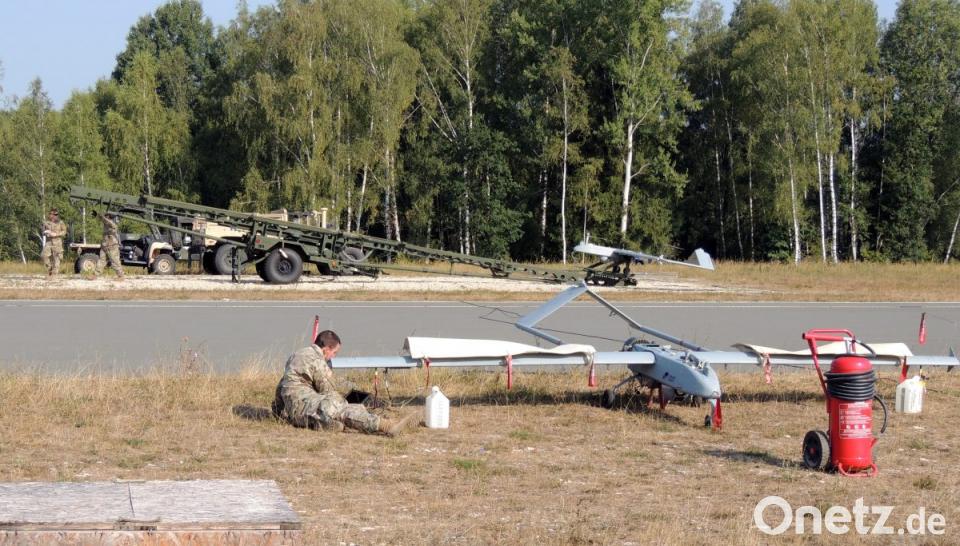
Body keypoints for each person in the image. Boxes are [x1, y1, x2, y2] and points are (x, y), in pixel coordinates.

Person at [272, 330, 417, 436]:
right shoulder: (317, 361)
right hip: (305, 407)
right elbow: (329, 391)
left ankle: (326, 424)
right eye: (334, 353)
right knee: (337, 406)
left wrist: (278, 412)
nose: (332, 357)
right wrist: (349, 403)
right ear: (326, 349)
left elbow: (282, 386)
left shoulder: (297, 354)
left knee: (331, 413)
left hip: (297, 412)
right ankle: (384, 425)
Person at [92, 210, 125, 280]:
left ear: (109, 216)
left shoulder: (111, 223)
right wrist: (97, 215)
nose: (105, 216)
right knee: (101, 260)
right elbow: (103, 220)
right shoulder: (106, 224)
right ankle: (95, 275)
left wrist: (101, 216)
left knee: (115, 261)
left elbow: (106, 221)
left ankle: (121, 276)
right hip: (105, 245)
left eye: (106, 215)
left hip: (112, 246)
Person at [40, 208, 67, 277]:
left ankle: (54, 275)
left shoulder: (60, 222)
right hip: (49, 242)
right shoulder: (46, 223)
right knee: (44, 255)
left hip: (57, 242)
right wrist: (46, 232)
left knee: (57, 258)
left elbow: (64, 232)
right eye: (53, 214)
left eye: (56, 214)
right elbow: (43, 231)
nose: (54, 216)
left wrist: (56, 234)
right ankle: (49, 268)